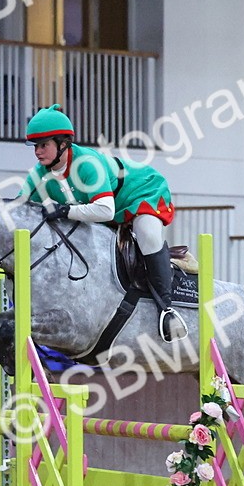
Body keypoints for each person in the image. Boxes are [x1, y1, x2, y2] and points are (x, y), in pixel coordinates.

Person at [20, 104, 185, 342]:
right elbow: (17, 207)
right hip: (106, 203)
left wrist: (64, 210)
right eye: (35, 146)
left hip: (141, 191)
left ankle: (167, 310)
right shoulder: (38, 174)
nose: (37, 152)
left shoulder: (87, 163)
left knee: (147, 232)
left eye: (43, 145)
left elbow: (106, 211)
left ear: (63, 144)